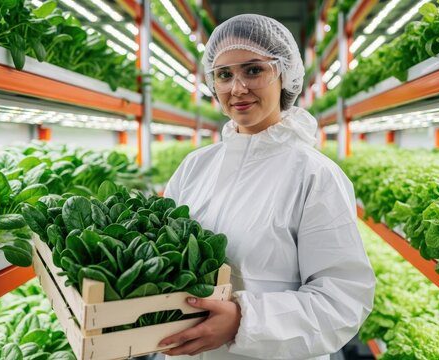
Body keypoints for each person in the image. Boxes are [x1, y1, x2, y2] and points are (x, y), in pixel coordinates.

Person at [159, 14, 376, 360]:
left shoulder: (315, 175)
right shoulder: (194, 167)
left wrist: (244, 321)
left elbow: (343, 301)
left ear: (284, 75)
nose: (237, 88)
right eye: (224, 74)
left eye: (253, 70)